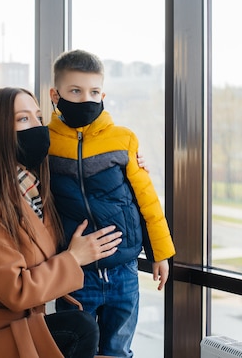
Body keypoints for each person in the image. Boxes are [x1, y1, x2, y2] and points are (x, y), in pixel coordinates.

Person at [0, 87, 123, 358]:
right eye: (23, 119)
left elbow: (87, 181)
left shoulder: (35, 195)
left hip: (22, 329)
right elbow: (17, 291)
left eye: (38, 118)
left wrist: (126, 163)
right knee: (80, 328)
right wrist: (74, 258)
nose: (37, 127)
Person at [48, 49, 176, 357]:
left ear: (103, 94)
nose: (85, 99)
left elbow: (147, 201)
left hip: (124, 271)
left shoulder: (123, 139)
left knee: (118, 351)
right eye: (75, 91)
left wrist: (161, 254)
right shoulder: (46, 143)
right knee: (75, 351)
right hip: (75, 273)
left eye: (93, 92)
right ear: (56, 95)